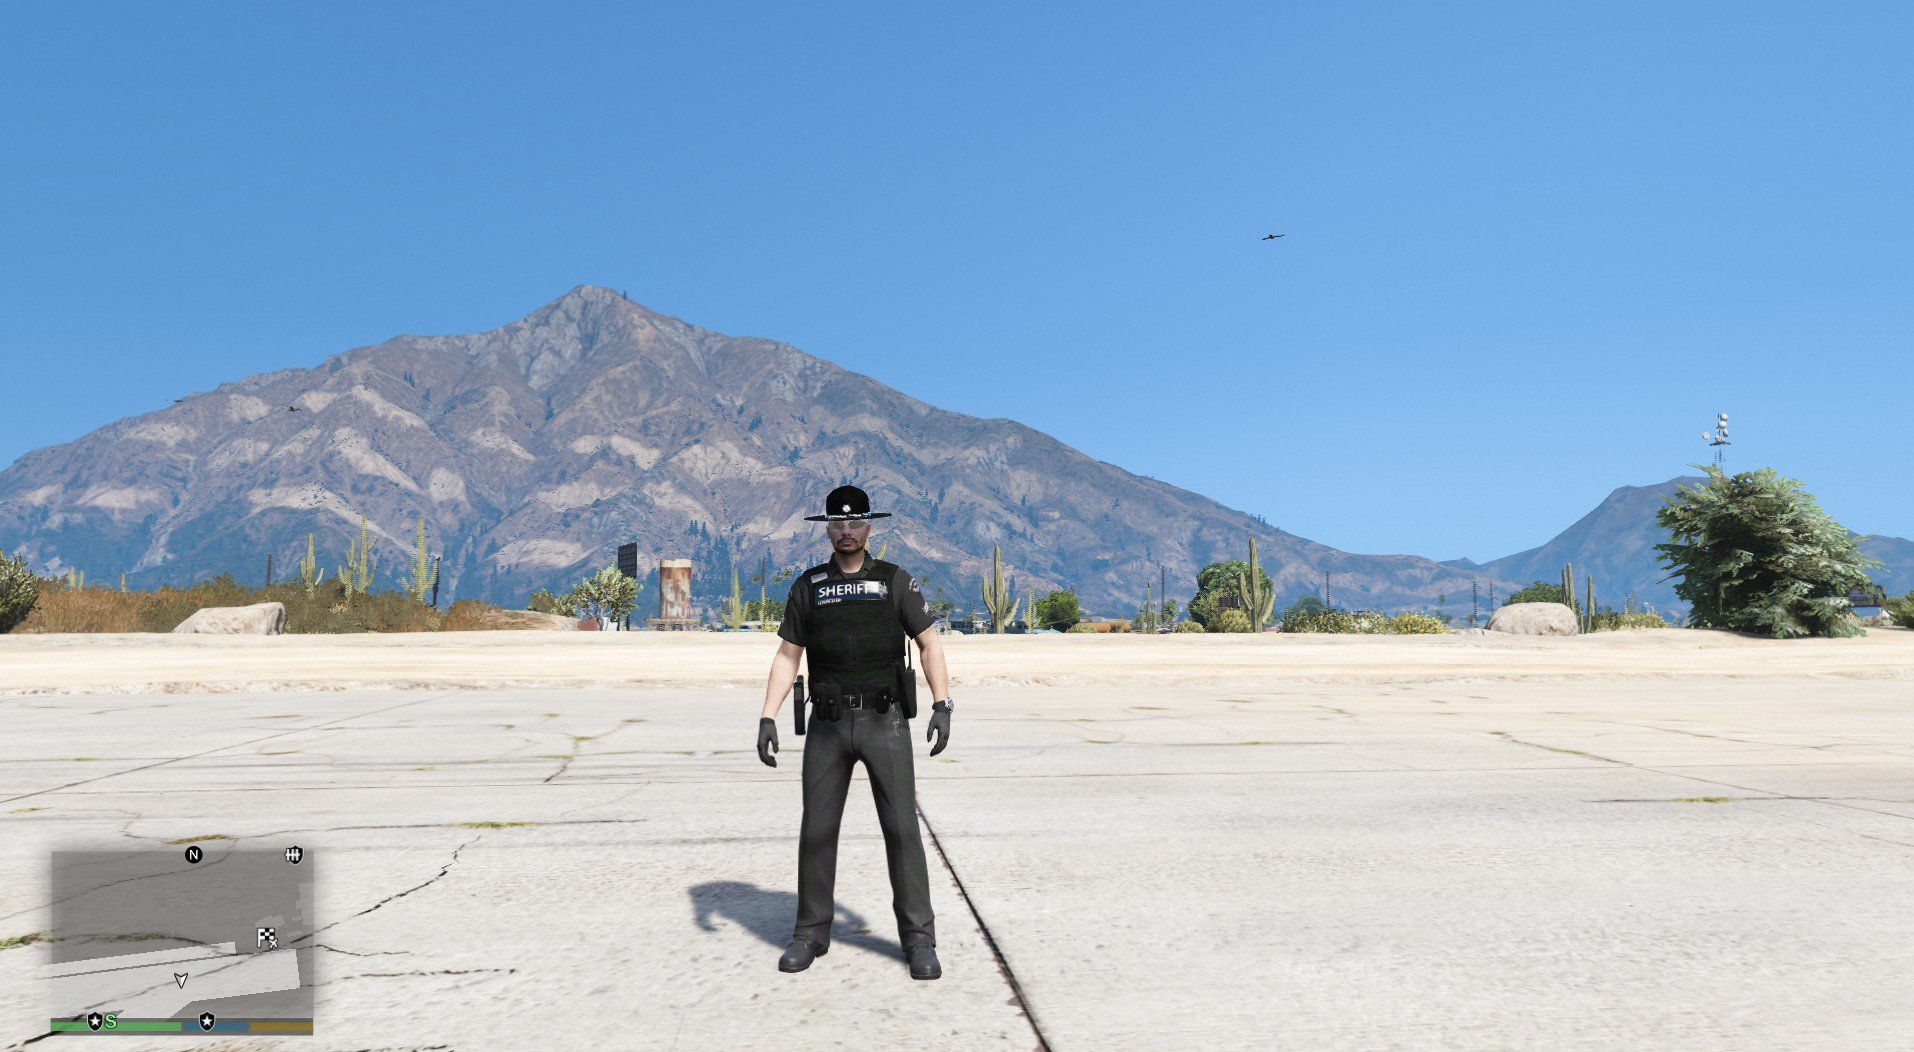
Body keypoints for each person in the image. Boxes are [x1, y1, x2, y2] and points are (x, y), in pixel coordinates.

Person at [757, 484, 954, 980]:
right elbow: (787, 655)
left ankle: (919, 939)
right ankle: (810, 932)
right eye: (838, 523)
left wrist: (942, 703)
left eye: (855, 522)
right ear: (827, 529)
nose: (847, 531)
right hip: (826, 725)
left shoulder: (895, 582)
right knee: (817, 830)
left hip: (884, 721)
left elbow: (929, 643)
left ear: (869, 526)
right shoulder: (809, 586)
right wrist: (767, 716)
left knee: (902, 830)